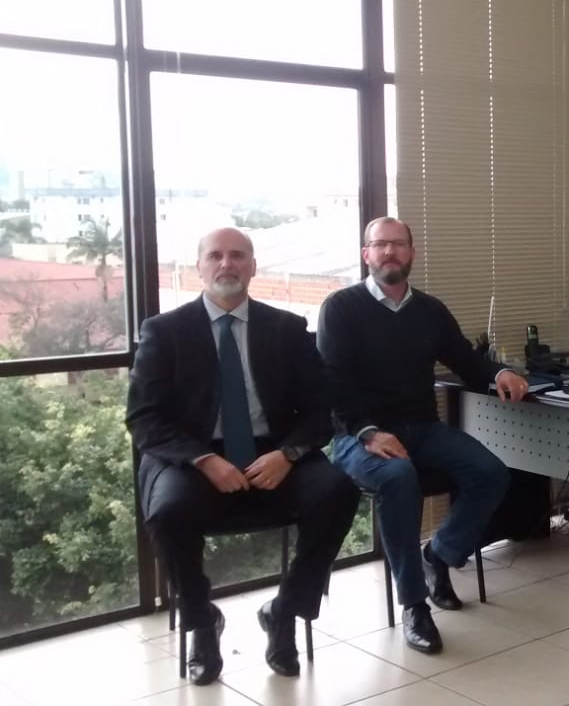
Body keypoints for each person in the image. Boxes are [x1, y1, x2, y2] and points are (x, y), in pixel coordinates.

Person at [127, 228, 359, 685]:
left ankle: (284, 611)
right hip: (194, 457)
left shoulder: (287, 329)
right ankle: (202, 622)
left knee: (338, 492)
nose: (226, 264)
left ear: (253, 266)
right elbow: (144, 418)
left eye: (237, 256)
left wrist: (287, 454)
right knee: (168, 512)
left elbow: (320, 409)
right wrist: (204, 460)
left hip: (273, 452)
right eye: (215, 255)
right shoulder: (164, 331)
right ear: (199, 267)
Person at [317, 216, 528, 656]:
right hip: (357, 435)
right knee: (399, 478)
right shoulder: (340, 307)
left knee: (490, 472)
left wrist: (501, 372)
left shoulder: (430, 310)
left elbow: (467, 361)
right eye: (380, 244)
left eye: (398, 244)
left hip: (422, 428)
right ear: (366, 254)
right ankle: (414, 605)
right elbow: (331, 383)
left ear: (412, 253)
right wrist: (368, 432)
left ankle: (438, 556)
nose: (389, 252)